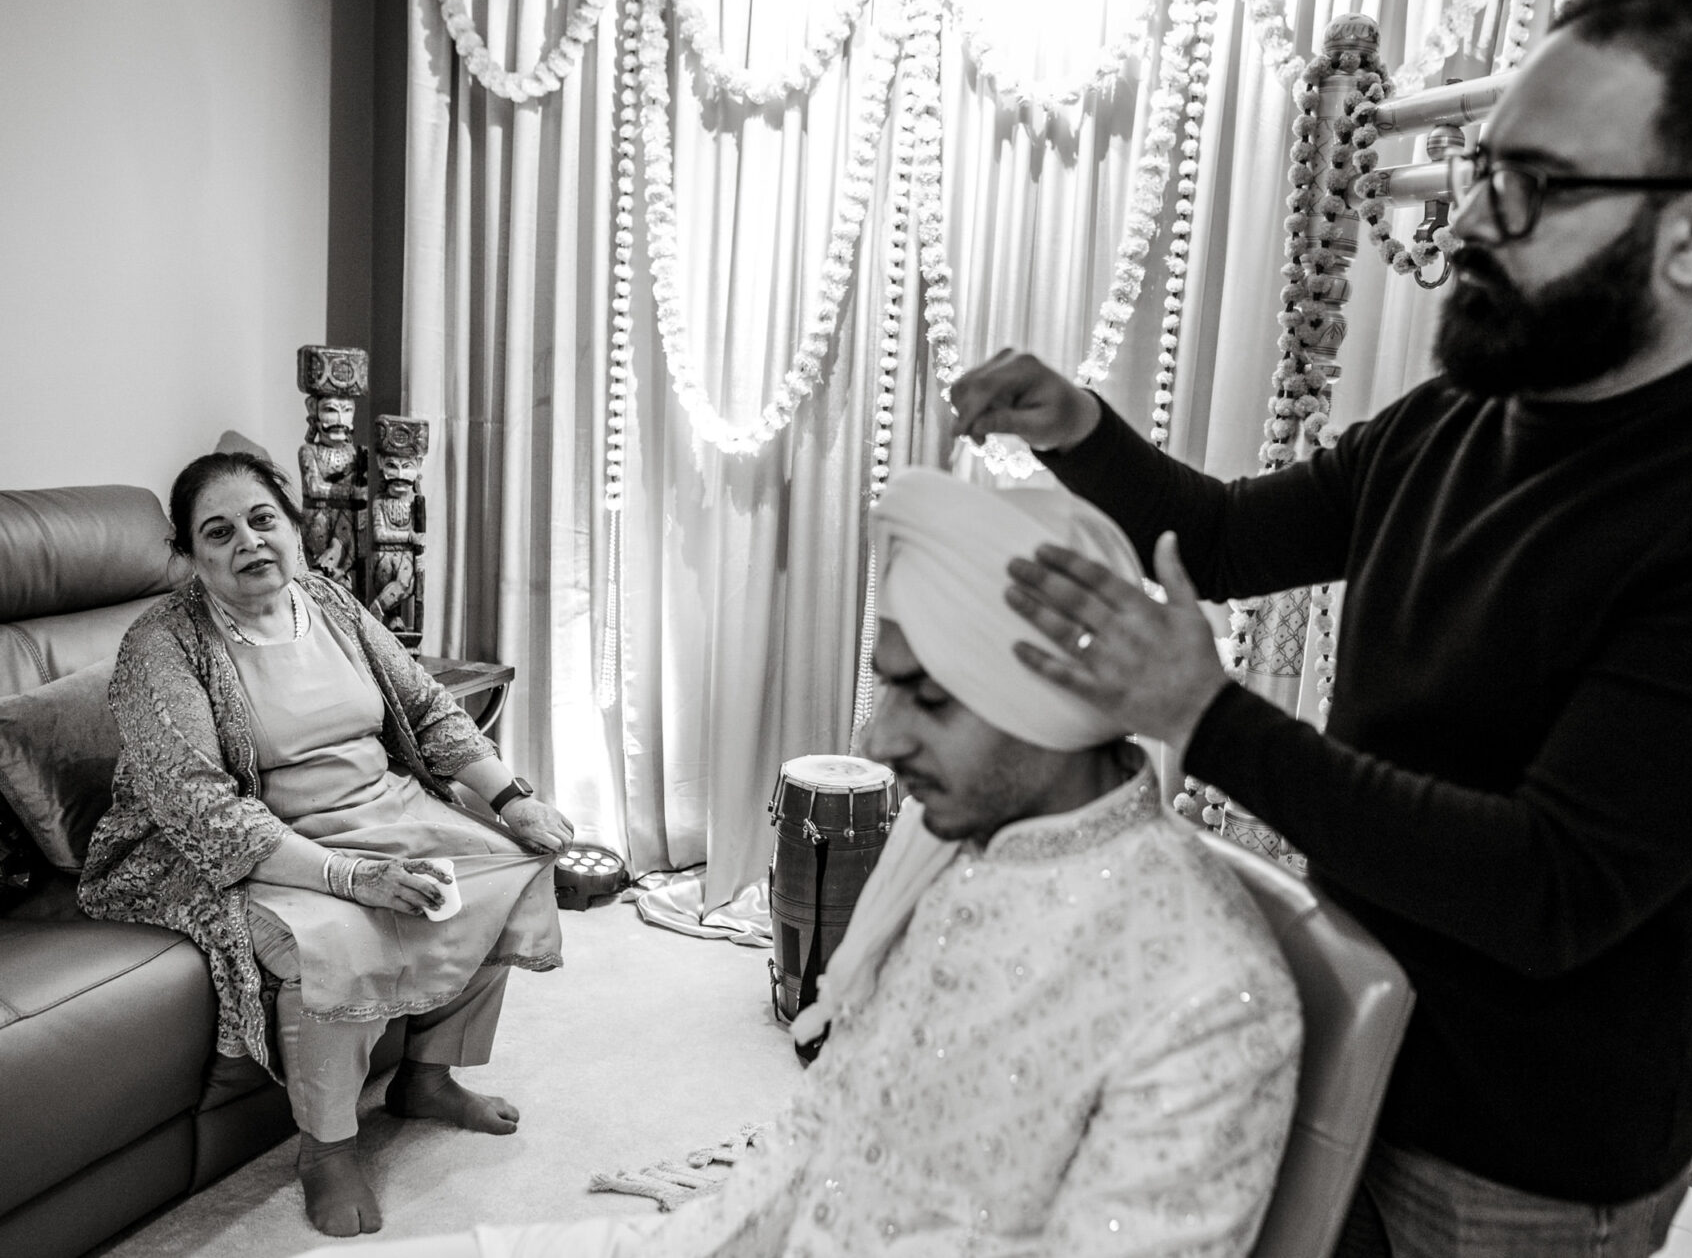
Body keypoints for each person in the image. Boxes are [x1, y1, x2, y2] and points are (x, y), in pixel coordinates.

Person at [947, 0, 1692, 1255]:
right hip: (1354, 1030)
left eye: (1529, 185)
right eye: (1477, 169)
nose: (1465, 224)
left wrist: (1203, 716)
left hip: (1532, 1148)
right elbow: (1228, 540)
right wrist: (1081, 431)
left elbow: (1547, 887)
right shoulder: (1457, 417)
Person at [304, 467, 1302, 1258]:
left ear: (1059, 702)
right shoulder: (971, 856)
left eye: (932, 698)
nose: (881, 734)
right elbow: (821, 1146)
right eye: (888, 689)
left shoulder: (1209, 991)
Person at [79, 452, 571, 1238]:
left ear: (292, 525)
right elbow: (203, 810)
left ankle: (428, 1078)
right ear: (191, 554)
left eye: (262, 518)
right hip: (266, 844)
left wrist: (512, 799)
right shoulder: (161, 646)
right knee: (334, 942)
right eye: (220, 531)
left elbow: (426, 705)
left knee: (506, 870)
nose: (248, 541)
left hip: (383, 807)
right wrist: (350, 878)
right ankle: (327, 1150)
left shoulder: (329, 602)